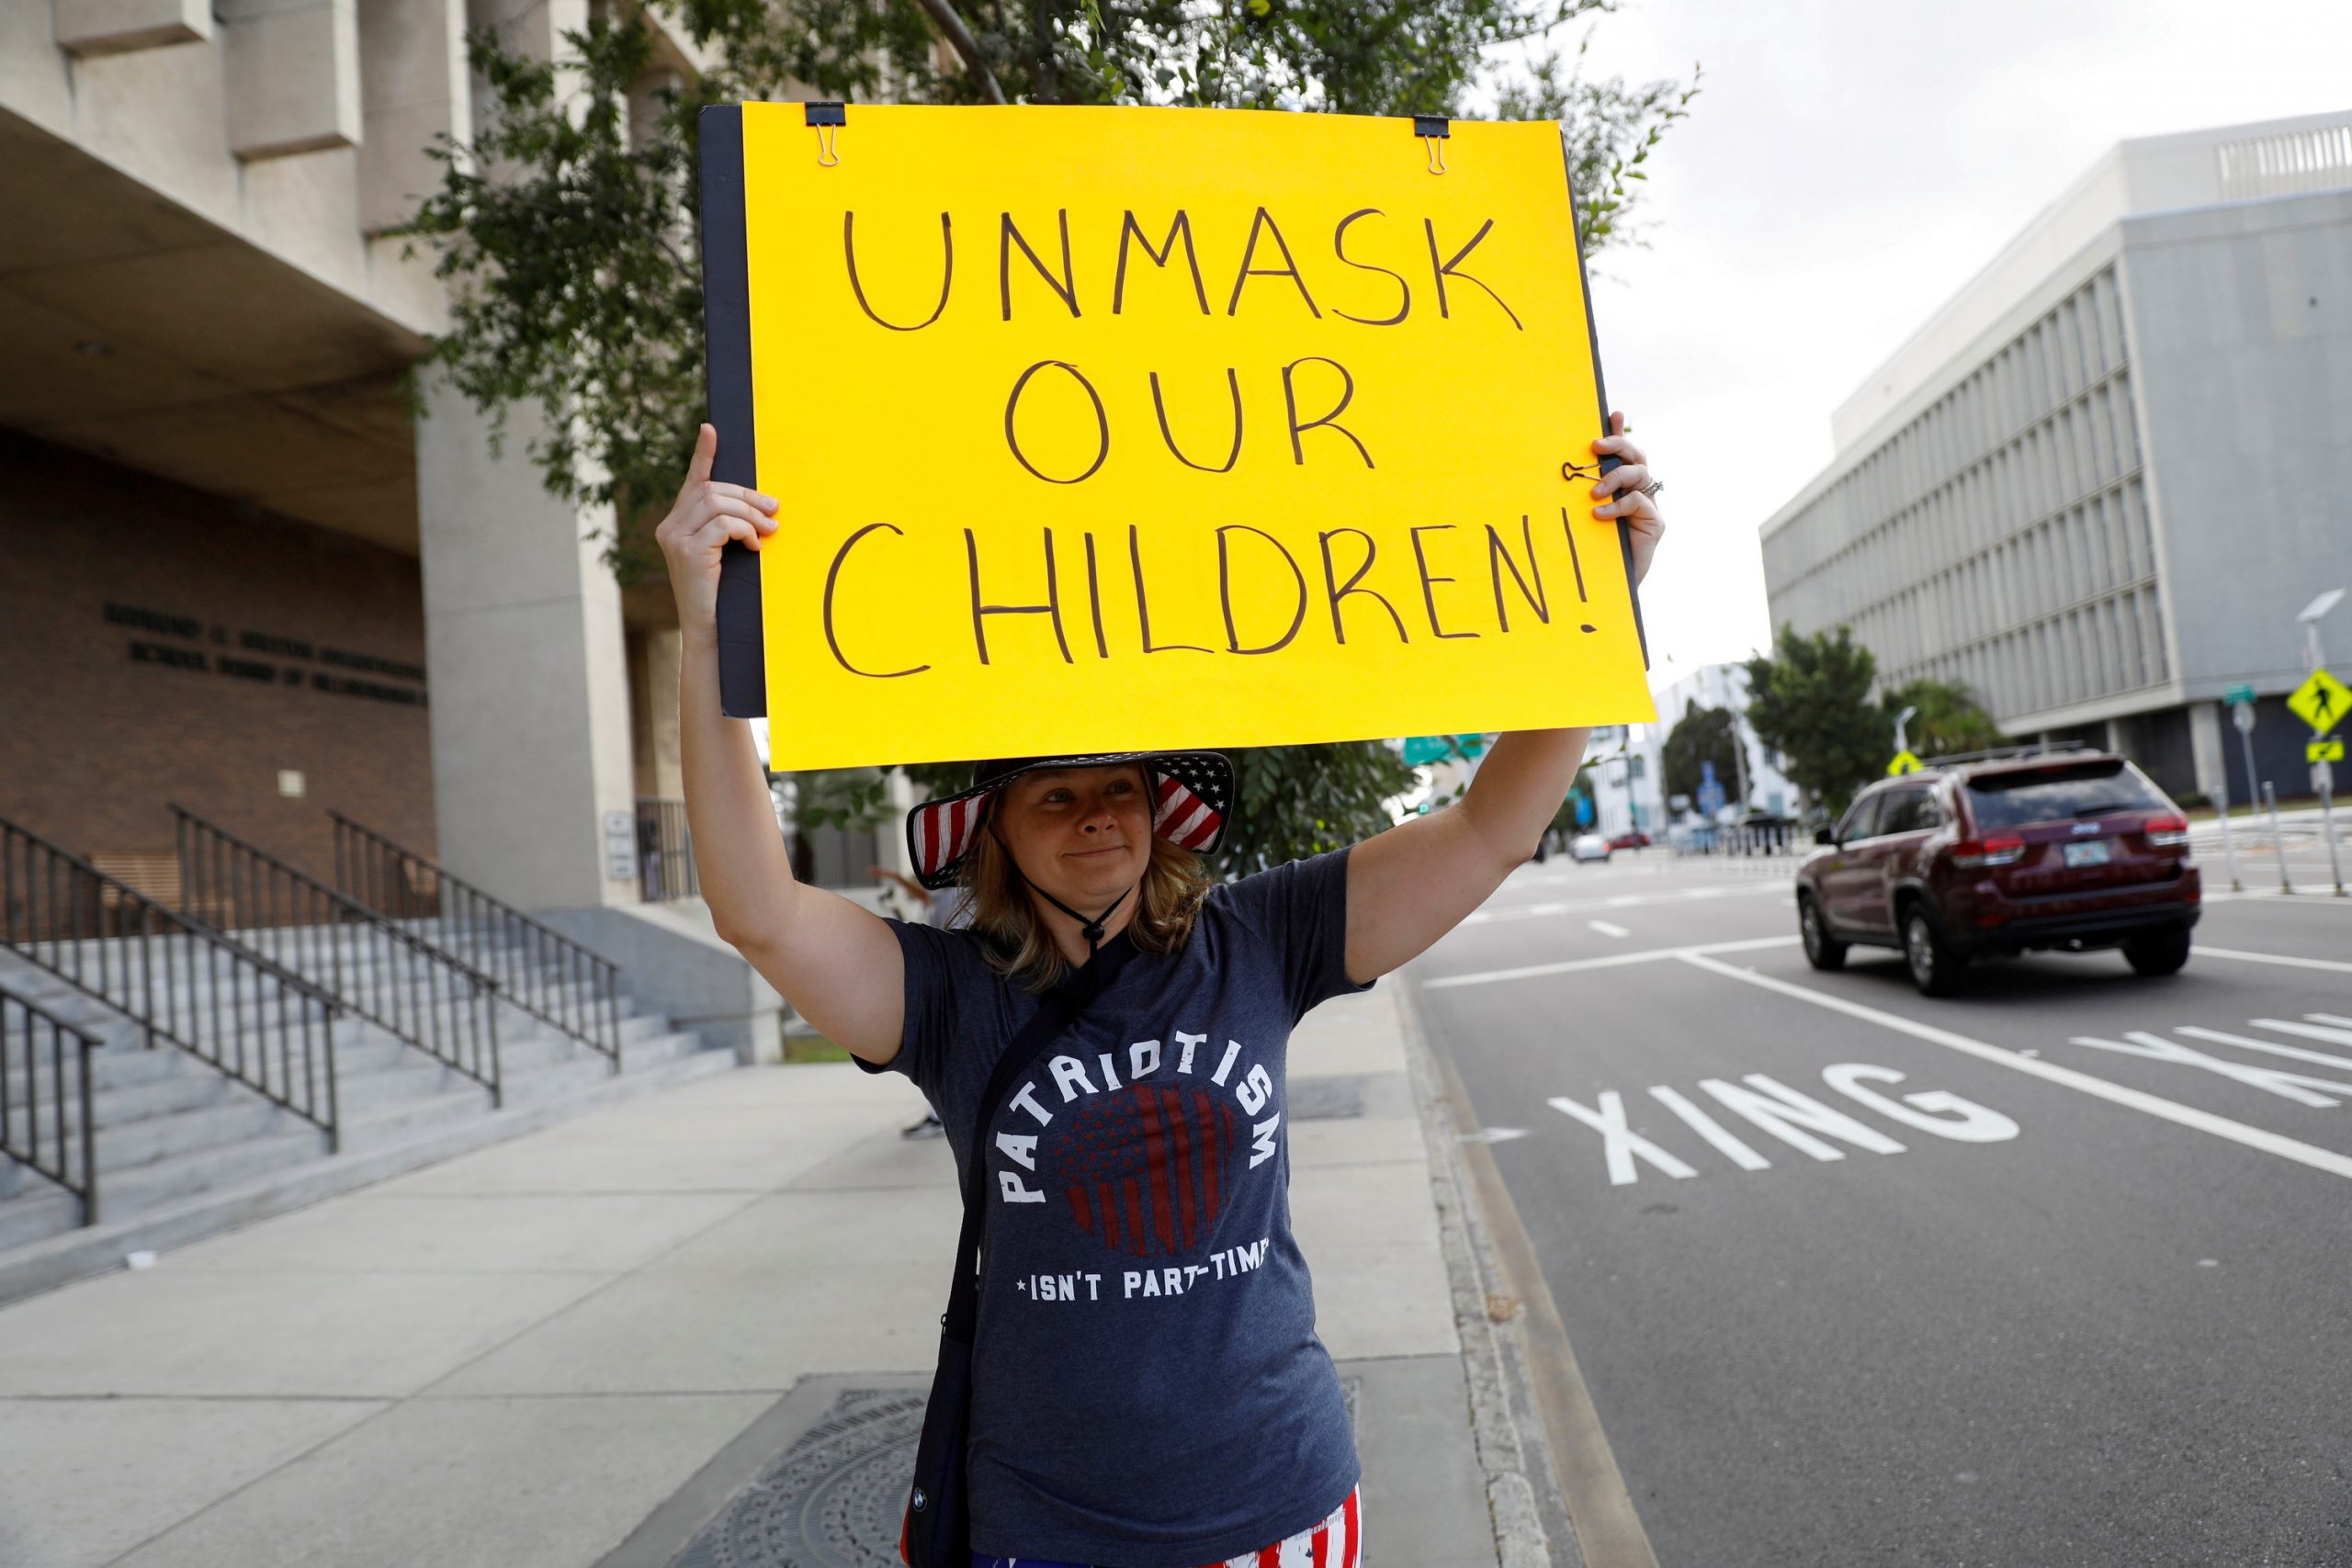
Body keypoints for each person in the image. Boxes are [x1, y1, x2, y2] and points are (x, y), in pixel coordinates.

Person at [657, 415, 1666, 1568]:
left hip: (1276, 1501)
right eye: (1053, 794)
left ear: (1159, 811)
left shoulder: (1261, 939)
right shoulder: (947, 996)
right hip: (1043, 1524)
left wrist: (1599, 607)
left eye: (1121, 788)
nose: (1095, 812)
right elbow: (757, 910)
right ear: (997, 835)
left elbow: (1491, 827)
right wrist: (701, 631)